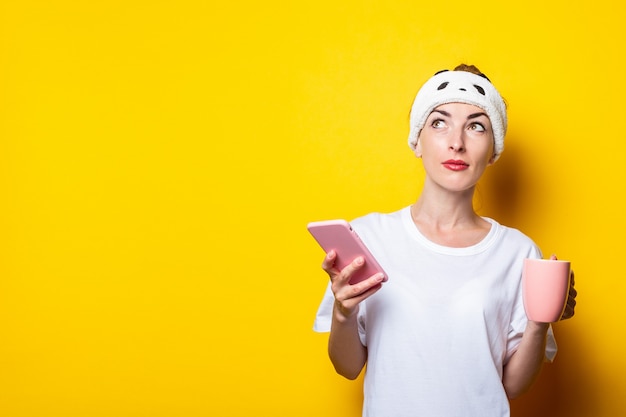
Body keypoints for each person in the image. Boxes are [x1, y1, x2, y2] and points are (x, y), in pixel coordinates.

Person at [313, 64, 577, 417]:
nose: (457, 142)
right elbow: (347, 367)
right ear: (416, 140)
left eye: (476, 126)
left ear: (493, 151)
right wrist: (344, 312)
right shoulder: (368, 237)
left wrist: (539, 320)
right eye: (439, 122)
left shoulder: (519, 253)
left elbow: (514, 386)